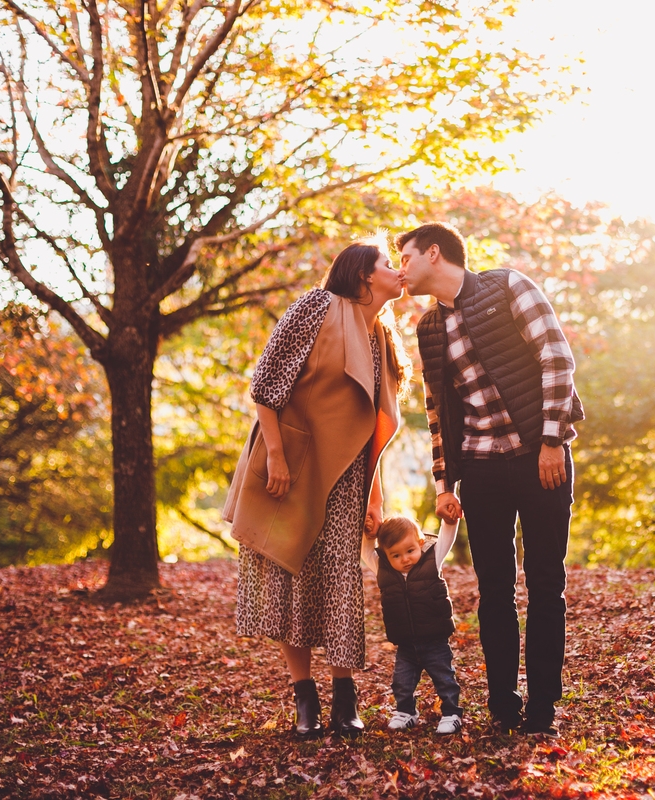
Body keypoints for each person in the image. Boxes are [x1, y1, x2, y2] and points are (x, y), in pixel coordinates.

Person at [396, 222, 585, 736]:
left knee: (546, 583)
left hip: (541, 457)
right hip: (480, 468)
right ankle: (503, 705)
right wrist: (444, 485)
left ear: (434, 253)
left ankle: (542, 708)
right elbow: (438, 411)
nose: (401, 268)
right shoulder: (428, 327)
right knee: (494, 589)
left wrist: (551, 441)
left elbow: (556, 358)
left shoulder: (508, 286)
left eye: (406, 256)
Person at [222, 235, 408, 738]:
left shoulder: (381, 336)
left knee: (341, 581)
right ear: (364, 274)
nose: (398, 270)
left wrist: (374, 493)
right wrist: (277, 457)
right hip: (292, 466)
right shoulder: (315, 307)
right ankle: (304, 698)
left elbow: (369, 428)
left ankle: (345, 699)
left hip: (347, 481)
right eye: (388, 262)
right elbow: (266, 385)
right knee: (291, 577)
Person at [361, 515, 463, 735]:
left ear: (420, 543)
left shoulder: (432, 559)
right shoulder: (384, 569)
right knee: (401, 683)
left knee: (445, 679)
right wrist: (368, 535)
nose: (405, 559)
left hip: (435, 640)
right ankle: (406, 713)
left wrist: (450, 521)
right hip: (406, 644)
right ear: (386, 555)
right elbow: (366, 552)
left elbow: (446, 537)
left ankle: (451, 713)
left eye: (409, 551)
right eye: (396, 555)